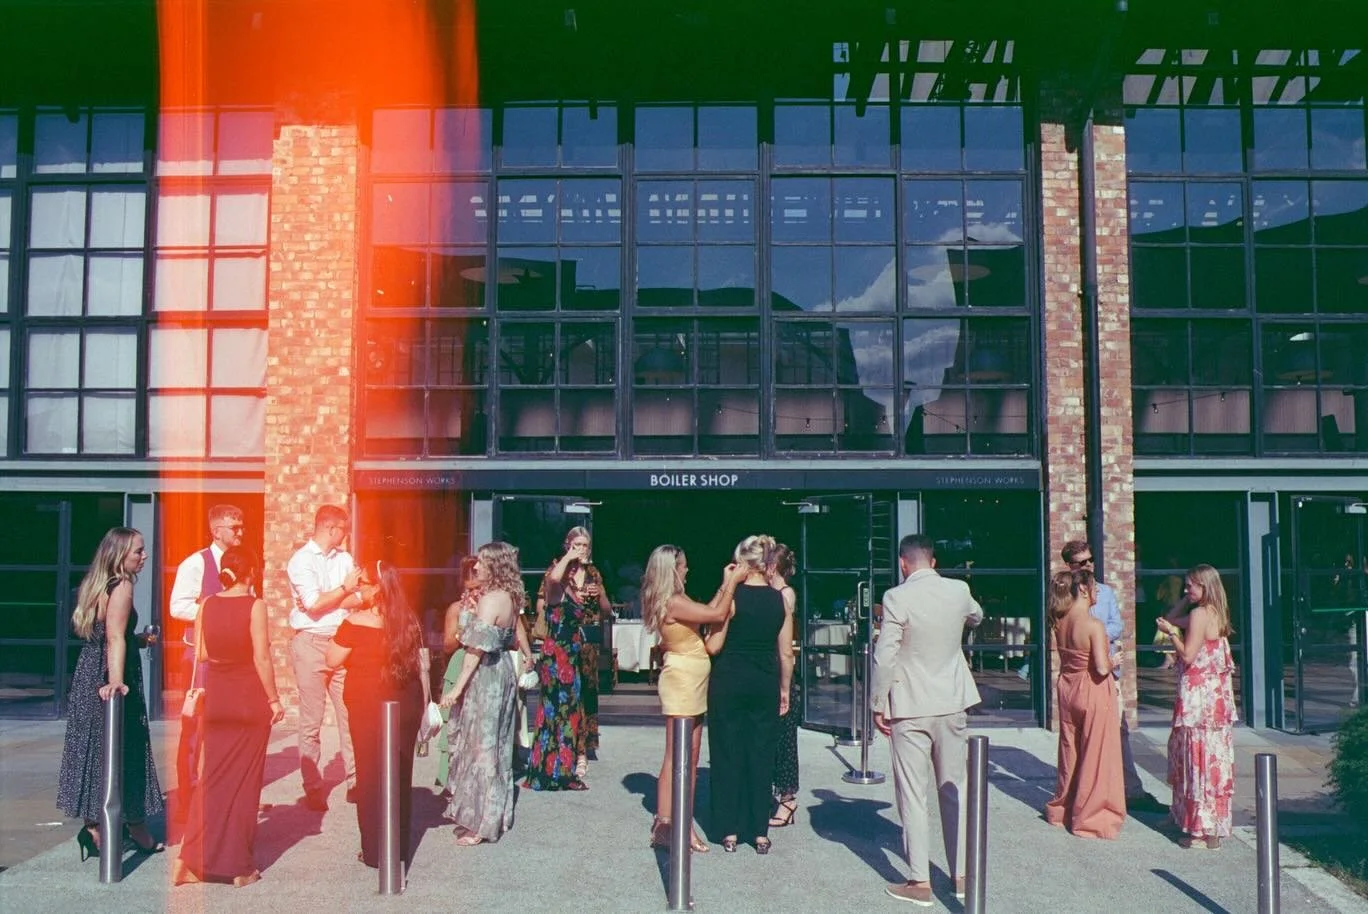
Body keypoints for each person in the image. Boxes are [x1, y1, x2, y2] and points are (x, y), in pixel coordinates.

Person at [870, 534, 982, 906]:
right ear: (932, 561)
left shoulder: (896, 597)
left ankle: (919, 881)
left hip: (910, 702)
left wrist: (877, 702)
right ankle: (962, 875)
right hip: (952, 699)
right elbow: (977, 616)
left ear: (904, 563)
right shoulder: (958, 589)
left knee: (913, 794)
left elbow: (885, 656)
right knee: (954, 787)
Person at [173, 547, 285, 887]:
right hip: (247, 696)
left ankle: (190, 860)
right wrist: (275, 699)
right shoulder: (255, 605)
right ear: (251, 572)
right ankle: (238, 867)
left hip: (218, 696)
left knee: (212, 779)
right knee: (244, 782)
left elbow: (202, 652)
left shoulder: (206, 604)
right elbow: (261, 657)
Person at [57, 527, 165, 861]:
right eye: (138, 551)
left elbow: (109, 633)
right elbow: (114, 638)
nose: (144, 556)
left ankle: (94, 828)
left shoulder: (97, 582)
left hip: (88, 672)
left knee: (95, 749)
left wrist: (138, 640)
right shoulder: (123, 585)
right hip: (108, 674)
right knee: (126, 749)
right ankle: (135, 825)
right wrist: (116, 681)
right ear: (120, 555)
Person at [641, 544, 746, 852]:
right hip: (683, 681)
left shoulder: (676, 600)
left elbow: (707, 614)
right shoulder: (673, 601)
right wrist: (732, 585)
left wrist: (724, 585)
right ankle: (678, 828)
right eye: (683, 565)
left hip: (690, 679)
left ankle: (668, 825)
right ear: (672, 569)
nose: (687, 569)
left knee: (681, 756)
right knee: (682, 757)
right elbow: (715, 613)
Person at [326, 559, 425, 868]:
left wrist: (346, 603)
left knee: (369, 774)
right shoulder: (409, 620)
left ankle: (373, 850)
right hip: (405, 703)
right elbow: (421, 663)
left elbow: (331, 659)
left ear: (377, 588)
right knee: (399, 773)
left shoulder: (355, 622)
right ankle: (396, 847)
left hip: (368, 703)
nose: (359, 589)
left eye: (364, 584)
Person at [1062, 539, 1167, 814]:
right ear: (1069, 566)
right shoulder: (1064, 594)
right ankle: (1083, 794)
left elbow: (1117, 625)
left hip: (1106, 671)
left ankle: (1130, 790)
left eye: (1090, 560)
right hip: (1080, 672)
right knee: (1077, 736)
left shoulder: (1104, 592)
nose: (1087, 566)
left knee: (1118, 733)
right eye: (1081, 562)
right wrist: (1092, 637)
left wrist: (1094, 636)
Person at [704, 534, 793, 854]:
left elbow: (713, 644)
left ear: (741, 562)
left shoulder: (733, 597)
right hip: (764, 679)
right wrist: (784, 688)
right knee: (761, 752)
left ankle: (728, 828)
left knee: (727, 750)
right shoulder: (779, 600)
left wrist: (724, 587)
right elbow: (786, 653)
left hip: (729, 677)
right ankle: (759, 830)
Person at [441, 541, 525, 845]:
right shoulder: (510, 597)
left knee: (483, 747)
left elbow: (474, 652)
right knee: (499, 745)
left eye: (482, 562)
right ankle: (493, 815)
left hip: (487, 675)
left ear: (495, 566)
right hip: (502, 670)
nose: (475, 567)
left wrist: (457, 689)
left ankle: (483, 823)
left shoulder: (491, 600)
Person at [167, 503, 244, 818]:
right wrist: (213, 609)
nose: (241, 532)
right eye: (234, 527)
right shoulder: (195, 565)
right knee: (195, 725)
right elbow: (177, 606)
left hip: (231, 656)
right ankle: (189, 795)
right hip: (201, 656)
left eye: (242, 526)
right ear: (217, 530)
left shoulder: (240, 562)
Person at [286, 504, 364, 811]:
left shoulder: (344, 558)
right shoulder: (301, 560)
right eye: (343, 529)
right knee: (311, 720)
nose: (345, 536)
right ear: (331, 528)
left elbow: (360, 598)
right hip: (310, 643)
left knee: (349, 714)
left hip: (342, 641)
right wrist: (343, 590)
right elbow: (313, 604)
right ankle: (313, 787)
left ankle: (355, 781)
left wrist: (332, 597)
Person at [1157, 564, 1237, 850]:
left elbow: (1188, 655)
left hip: (1197, 698)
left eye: (1191, 586)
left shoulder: (1200, 614)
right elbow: (1172, 617)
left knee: (1195, 760)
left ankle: (1199, 831)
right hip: (1213, 700)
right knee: (1209, 759)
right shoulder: (1214, 612)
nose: (1186, 590)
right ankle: (1200, 821)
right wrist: (1184, 602)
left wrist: (1171, 634)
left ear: (1205, 587)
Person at [1043, 568, 1126, 839]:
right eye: (1093, 587)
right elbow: (1101, 668)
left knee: (1070, 751)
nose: (1097, 591)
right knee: (1097, 754)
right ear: (1082, 589)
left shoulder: (1059, 620)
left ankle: (1062, 810)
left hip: (1067, 687)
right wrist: (1116, 660)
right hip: (1092, 689)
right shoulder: (1093, 625)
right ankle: (1091, 818)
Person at [524, 527, 604, 790]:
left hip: (569, 650)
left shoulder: (581, 581)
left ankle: (558, 769)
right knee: (556, 712)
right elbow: (552, 581)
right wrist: (569, 557)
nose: (582, 550)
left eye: (585, 546)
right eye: (577, 545)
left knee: (564, 713)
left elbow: (600, 609)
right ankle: (554, 772)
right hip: (558, 653)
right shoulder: (556, 578)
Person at [435, 556, 480, 789]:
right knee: (455, 723)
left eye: (478, 574)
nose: (474, 581)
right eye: (470, 576)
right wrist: (461, 632)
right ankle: (452, 780)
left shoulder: (492, 603)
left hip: (485, 667)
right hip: (460, 660)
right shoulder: (456, 608)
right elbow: (447, 645)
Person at [766, 542, 801, 829]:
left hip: (781, 672)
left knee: (785, 738)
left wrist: (785, 687)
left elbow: (785, 647)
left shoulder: (785, 595)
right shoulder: (774, 593)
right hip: (772, 671)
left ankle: (788, 798)